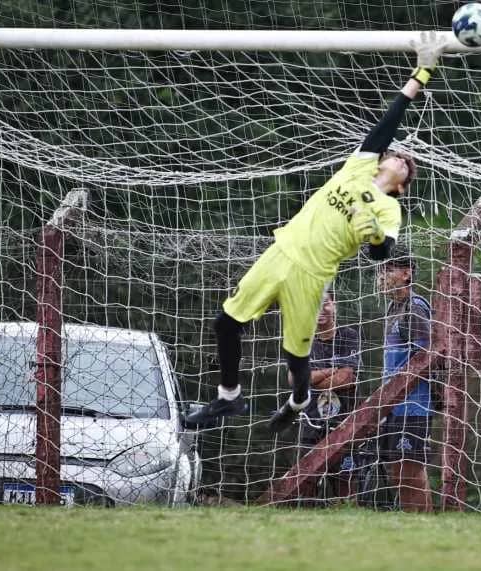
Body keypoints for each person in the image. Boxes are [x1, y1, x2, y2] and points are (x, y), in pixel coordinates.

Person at [185, 32, 447, 433]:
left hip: (312, 274)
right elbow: (389, 120)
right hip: (282, 250)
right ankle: (229, 396)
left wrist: (376, 235)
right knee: (226, 323)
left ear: (402, 187)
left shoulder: (389, 208)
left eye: (408, 167)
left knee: (297, 355)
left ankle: (300, 399)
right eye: (398, 156)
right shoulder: (357, 166)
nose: (401, 160)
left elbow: (382, 253)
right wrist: (422, 71)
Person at [376, 252, 434, 512]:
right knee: (398, 472)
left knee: (410, 470)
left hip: (413, 404)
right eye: (380, 271)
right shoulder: (393, 307)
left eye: (388, 270)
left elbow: (425, 358)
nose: (382, 277)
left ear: (406, 274)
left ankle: (425, 523)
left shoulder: (415, 307)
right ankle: (412, 524)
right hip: (393, 404)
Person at [295, 291, 361, 496]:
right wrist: (331, 370)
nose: (320, 310)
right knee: (305, 486)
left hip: (343, 424)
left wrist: (311, 378)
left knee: (345, 488)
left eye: (325, 303)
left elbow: (347, 378)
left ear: (334, 305)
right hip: (310, 423)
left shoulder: (349, 336)